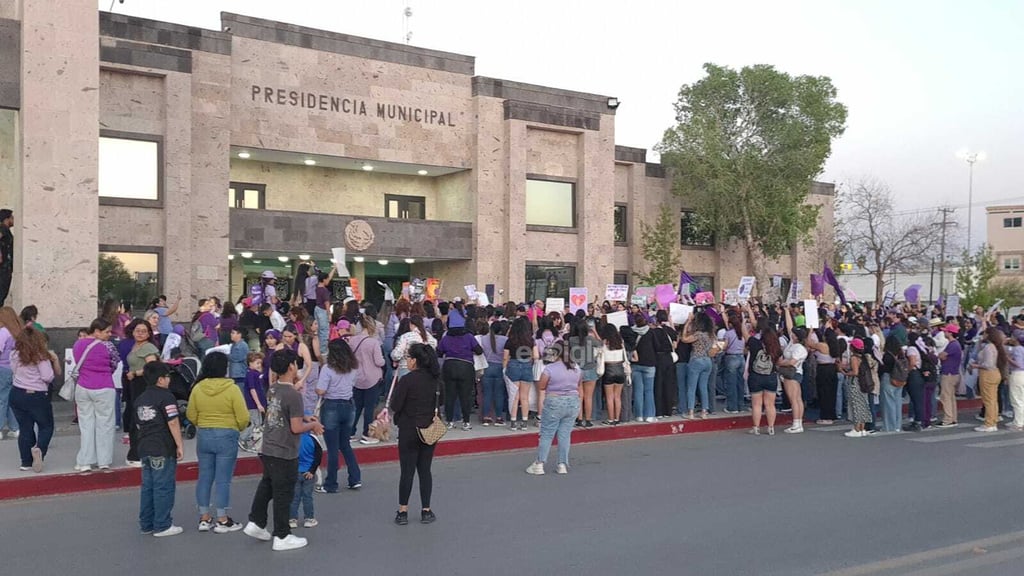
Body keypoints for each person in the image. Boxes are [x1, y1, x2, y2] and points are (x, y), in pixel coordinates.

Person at [244, 348, 324, 551]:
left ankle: (256, 521)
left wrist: (305, 416)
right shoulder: (293, 394)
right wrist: (312, 426)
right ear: (291, 367)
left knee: (267, 485)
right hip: (285, 450)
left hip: (269, 446)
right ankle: (282, 535)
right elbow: (296, 428)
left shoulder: (274, 388)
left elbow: (281, 414)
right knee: (283, 493)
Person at [186, 352, 250, 533]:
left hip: (205, 433)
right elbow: (243, 417)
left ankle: (204, 517)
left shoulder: (198, 388)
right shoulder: (232, 389)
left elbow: (191, 414)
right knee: (223, 479)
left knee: (205, 476)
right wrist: (236, 427)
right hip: (227, 434)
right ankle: (222, 518)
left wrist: (202, 423)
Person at [390, 343, 442, 525]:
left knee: (407, 471)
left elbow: (395, 405)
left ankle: (403, 511)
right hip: (429, 429)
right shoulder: (435, 380)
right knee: (425, 470)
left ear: (415, 360)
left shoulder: (407, 380)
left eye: (408, 358)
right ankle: (426, 510)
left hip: (409, 429)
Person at [135, 362, 184, 537]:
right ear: (161, 379)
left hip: (145, 446)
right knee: (163, 486)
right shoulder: (166, 397)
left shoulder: (141, 398)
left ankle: (146, 523)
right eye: (168, 376)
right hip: (162, 446)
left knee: (148, 486)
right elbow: (172, 421)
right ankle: (163, 525)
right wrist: (179, 444)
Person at [527, 342, 582, 475]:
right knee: (565, 434)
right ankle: (562, 464)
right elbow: (578, 384)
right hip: (573, 401)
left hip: (554, 401)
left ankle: (539, 464)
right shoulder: (576, 368)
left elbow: (541, 386)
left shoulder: (550, 369)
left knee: (547, 434)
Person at [315, 338, 362, 492]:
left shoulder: (328, 368)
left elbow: (321, 390)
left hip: (331, 406)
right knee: (345, 445)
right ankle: (355, 478)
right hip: (349, 405)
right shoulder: (353, 367)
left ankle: (331, 483)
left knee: (332, 447)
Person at [9, 327, 59, 472]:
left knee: (25, 428)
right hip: (36, 395)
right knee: (46, 426)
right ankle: (39, 449)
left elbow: (14, 370)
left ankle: (25, 462)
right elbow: (47, 377)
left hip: (17, 393)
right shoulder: (40, 356)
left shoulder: (14, 354)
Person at [73, 318, 119, 472]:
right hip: (104, 386)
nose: (109, 334)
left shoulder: (78, 344)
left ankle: (85, 461)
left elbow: (78, 361)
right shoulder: (108, 346)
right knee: (105, 424)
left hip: (83, 387)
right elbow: (114, 363)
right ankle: (103, 461)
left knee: (86, 425)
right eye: (107, 332)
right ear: (97, 331)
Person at [437, 310, 483, 431]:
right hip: (466, 367)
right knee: (465, 396)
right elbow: (479, 351)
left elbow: (439, 352)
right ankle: (466, 422)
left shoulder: (446, 338)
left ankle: (450, 421)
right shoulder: (469, 337)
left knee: (450, 395)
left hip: (449, 366)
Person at [123, 319, 160, 466]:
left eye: (144, 331)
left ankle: (138, 454)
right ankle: (136, 452)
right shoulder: (135, 346)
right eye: (137, 330)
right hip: (133, 384)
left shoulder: (148, 347)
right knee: (134, 417)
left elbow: (151, 367)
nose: (140, 334)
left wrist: (136, 373)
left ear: (149, 333)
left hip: (143, 384)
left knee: (140, 418)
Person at [349, 315, 385, 444]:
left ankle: (351, 432)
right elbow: (379, 362)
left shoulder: (352, 341)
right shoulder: (373, 342)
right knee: (369, 408)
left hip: (357, 378)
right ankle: (367, 433)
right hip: (372, 378)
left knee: (357, 407)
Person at [746, 315, 782, 436]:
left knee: (756, 404)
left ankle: (756, 427)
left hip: (755, 376)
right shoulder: (776, 347)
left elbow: (745, 334)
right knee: (770, 404)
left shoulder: (755, 343)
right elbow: (779, 361)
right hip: (770, 375)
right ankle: (771, 427)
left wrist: (743, 320)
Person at [504, 316, 538, 430]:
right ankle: (524, 422)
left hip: (513, 365)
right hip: (527, 365)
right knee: (524, 397)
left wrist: (504, 369)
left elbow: (505, 357)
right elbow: (536, 356)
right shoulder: (530, 340)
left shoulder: (510, 340)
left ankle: (513, 422)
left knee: (514, 396)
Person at [972, 327, 1008, 433]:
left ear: (988, 335)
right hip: (995, 373)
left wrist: (976, 366)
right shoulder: (996, 346)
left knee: (988, 400)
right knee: (993, 399)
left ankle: (989, 423)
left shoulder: (988, 347)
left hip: (988, 374)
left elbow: (988, 364)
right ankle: (993, 420)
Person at [681, 312, 716, 420]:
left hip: (696, 359)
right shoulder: (711, 335)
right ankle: (704, 412)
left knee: (692, 387)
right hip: (708, 361)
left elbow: (684, 339)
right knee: (703, 387)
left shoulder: (698, 334)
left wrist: (687, 323)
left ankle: (691, 412)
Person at [568, 319, 601, 427]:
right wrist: (594, 331)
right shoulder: (590, 339)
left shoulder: (572, 340)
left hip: (577, 370)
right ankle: (588, 420)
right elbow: (600, 344)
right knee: (588, 396)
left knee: (579, 396)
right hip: (590, 368)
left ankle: (579, 418)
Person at [289, 429, 323, 529]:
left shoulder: (293, 439)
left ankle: (292, 519)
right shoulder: (312, 439)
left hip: (295, 471)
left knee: (295, 497)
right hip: (309, 472)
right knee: (307, 496)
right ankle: (309, 518)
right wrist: (312, 470)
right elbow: (318, 456)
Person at [780, 318, 809, 434]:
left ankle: (796, 423)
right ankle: (798, 423)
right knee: (797, 399)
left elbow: (792, 362)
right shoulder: (793, 344)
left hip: (793, 372)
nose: (791, 334)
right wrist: (786, 311)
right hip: (793, 373)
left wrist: (780, 363)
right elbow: (789, 327)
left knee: (794, 399)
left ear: (797, 336)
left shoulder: (800, 348)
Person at [598, 324, 629, 425]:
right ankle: (617, 418)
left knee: (609, 397)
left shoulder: (605, 343)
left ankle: (610, 419)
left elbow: (599, 354)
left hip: (609, 369)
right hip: (620, 369)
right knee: (617, 396)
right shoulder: (620, 342)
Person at [479, 321, 508, 426]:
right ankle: (499, 417)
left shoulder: (483, 339)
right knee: (499, 394)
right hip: (500, 367)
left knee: (487, 394)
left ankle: (486, 416)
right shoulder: (505, 340)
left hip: (487, 367)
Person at [843, 339, 873, 438]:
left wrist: (846, 373)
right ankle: (862, 428)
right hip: (863, 383)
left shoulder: (853, 358)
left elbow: (855, 372)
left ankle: (856, 428)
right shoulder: (863, 357)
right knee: (863, 404)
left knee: (855, 404)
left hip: (855, 383)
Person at [630, 315, 657, 423]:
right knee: (649, 391)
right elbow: (657, 346)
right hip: (649, 364)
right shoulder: (651, 332)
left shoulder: (632, 332)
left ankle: (638, 415)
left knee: (638, 391)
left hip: (636, 364)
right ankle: (649, 415)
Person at [0, 306, 22, 439]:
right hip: (15, 369)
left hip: (2, 368)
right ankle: (15, 427)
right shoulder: (18, 332)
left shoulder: (3, 332)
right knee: (10, 400)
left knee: (2, 400)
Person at [937, 323, 962, 428]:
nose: (944, 332)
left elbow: (942, 355)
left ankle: (948, 419)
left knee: (946, 397)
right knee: (950, 397)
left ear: (950, 333)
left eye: (946, 331)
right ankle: (952, 418)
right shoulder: (954, 344)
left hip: (949, 373)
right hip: (953, 373)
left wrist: (941, 356)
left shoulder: (953, 345)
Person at [722, 312, 748, 414]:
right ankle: (741, 405)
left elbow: (725, 346)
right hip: (741, 358)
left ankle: (732, 407)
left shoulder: (728, 333)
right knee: (740, 383)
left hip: (731, 357)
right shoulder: (742, 333)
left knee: (731, 383)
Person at [240, 352, 265, 452]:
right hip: (253, 404)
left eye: (260, 363)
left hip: (257, 403)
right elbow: (252, 389)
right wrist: (258, 404)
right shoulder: (251, 374)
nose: (259, 365)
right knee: (255, 423)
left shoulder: (256, 374)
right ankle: (243, 438)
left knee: (258, 422)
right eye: (257, 363)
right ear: (250, 363)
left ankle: (253, 440)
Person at [1006, 336, 1024, 431]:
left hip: (1017, 373)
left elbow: (1018, 364)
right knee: (1021, 398)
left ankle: (1018, 423)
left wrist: (1008, 359)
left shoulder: (1017, 349)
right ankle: (1019, 420)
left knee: (1016, 399)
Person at [0, 209, 14, 307]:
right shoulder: (3, 228)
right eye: (12, 218)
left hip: (6, 267)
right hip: (4, 267)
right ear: (7, 219)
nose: (13, 220)